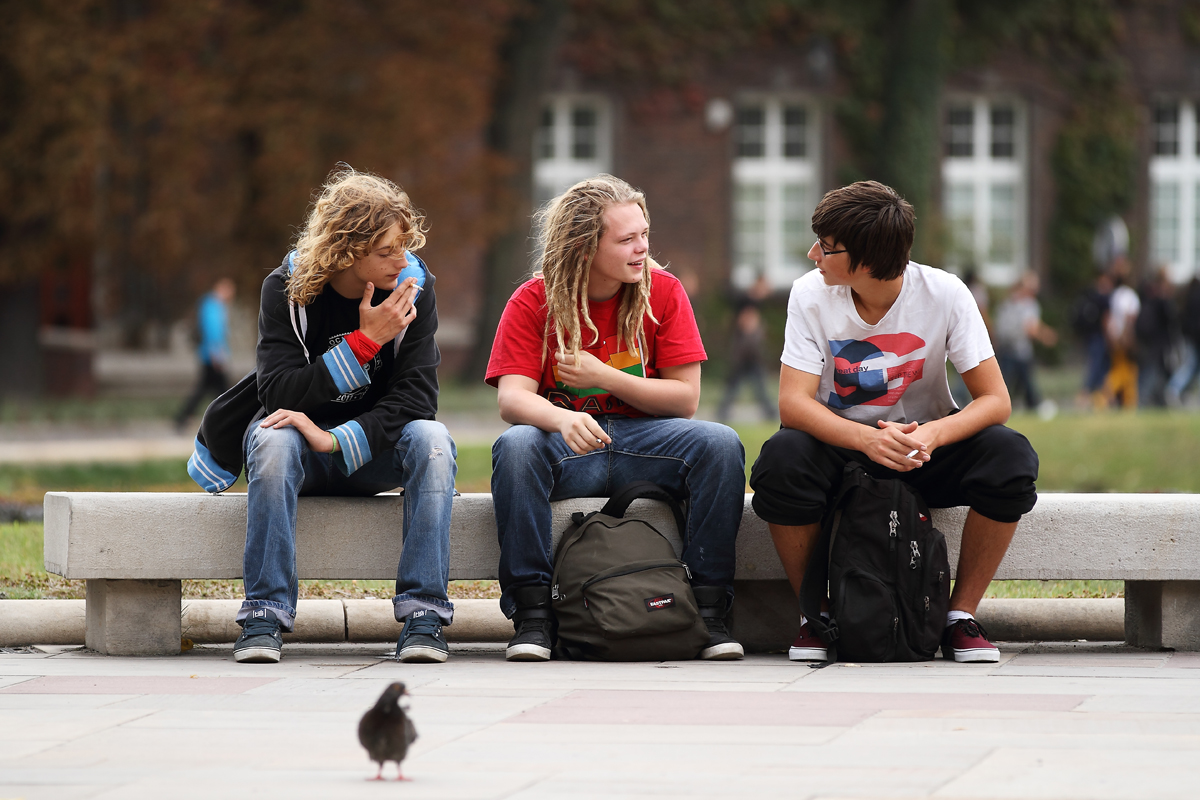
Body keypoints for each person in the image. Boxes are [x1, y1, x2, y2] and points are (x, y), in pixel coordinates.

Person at [748, 180, 1038, 664]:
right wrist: (864, 439)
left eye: (825, 246)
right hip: (843, 450)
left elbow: (995, 400)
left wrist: (932, 433)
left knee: (1010, 456)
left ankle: (958, 616)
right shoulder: (810, 295)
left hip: (924, 447)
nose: (812, 253)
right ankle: (815, 616)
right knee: (781, 460)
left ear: (863, 261)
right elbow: (793, 405)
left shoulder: (945, 294)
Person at [188, 168, 457, 664]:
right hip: (296, 455)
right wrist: (362, 344)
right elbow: (277, 391)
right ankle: (264, 615)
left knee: (432, 439)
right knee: (270, 439)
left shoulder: (414, 288)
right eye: (387, 251)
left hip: (370, 452)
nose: (403, 260)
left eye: (404, 245)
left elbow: (418, 400)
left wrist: (334, 439)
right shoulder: (288, 288)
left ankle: (424, 615)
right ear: (346, 250)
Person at [485, 174, 747, 663]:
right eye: (627, 239)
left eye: (644, 235)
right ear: (586, 247)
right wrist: (559, 420)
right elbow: (512, 399)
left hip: (643, 441)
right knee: (518, 446)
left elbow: (684, 400)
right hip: (570, 445)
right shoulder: (534, 299)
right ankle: (533, 616)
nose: (642, 248)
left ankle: (708, 612)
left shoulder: (663, 293)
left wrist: (604, 375)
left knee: (719, 443)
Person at [175, 277, 236, 431]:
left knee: (209, 390)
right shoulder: (213, 306)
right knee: (221, 391)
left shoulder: (210, 305)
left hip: (209, 355)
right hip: (213, 356)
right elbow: (213, 331)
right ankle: (227, 419)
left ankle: (184, 418)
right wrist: (217, 354)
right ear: (221, 288)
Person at [993, 272, 1057, 414]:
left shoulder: (1010, 303)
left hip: (1013, 349)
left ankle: (1024, 403)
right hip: (1015, 350)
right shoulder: (1023, 304)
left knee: (1019, 381)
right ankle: (1031, 404)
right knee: (1016, 382)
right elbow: (1030, 328)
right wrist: (1046, 336)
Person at [717, 274, 776, 423]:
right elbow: (747, 326)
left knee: (752, 384)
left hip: (747, 353)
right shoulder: (749, 302)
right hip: (746, 353)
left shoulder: (751, 302)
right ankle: (769, 412)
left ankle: (769, 411)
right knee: (745, 383)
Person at [1134, 267, 1176, 408]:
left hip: (1150, 341)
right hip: (1158, 342)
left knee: (1160, 371)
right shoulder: (1160, 299)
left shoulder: (1146, 294)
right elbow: (1170, 318)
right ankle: (1143, 401)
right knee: (1152, 371)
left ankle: (1159, 400)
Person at [1104, 260, 1140, 409]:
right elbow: (1129, 318)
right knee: (1126, 372)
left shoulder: (1114, 295)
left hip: (1114, 338)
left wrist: (1110, 336)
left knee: (1123, 370)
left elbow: (1108, 319)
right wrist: (1127, 336)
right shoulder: (1129, 295)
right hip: (1124, 339)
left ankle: (1126, 402)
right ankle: (1108, 396)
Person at [1167, 275, 1200, 406]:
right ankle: (1173, 389)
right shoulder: (1196, 298)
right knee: (1189, 365)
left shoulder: (1186, 298)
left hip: (1188, 337)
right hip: (1195, 338)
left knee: (1192, 366)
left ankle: (1184, 393)